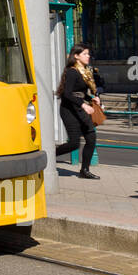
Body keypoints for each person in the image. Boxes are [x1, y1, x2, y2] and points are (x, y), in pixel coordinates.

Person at [56, 44, 101, 180]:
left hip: (80, 108)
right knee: (74, 143)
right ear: (76, 56)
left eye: (88, 54)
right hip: (69, 110)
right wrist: (83, 104)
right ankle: (50, 157)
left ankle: (84, 170)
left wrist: (92, 98)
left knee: (91, 138)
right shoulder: (72, 71)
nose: (88, 56)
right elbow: (67, 94)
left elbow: (80, 93)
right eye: (85, 54)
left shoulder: (84, 71)